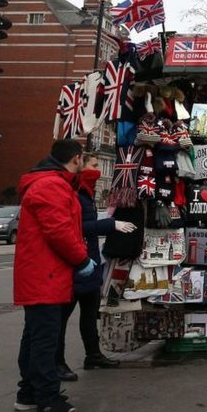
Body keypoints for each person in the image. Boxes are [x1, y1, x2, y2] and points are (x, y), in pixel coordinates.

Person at [13, 139, 95, 412]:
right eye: (84, 159)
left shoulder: (52, 182)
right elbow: (59, 231)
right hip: (45, 275)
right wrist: (82, 260)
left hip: (42, 274)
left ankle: (27, 394)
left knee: (35, 337)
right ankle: (47, 402)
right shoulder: (52, 186)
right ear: (76, 158)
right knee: (45, 340)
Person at [55, 153, 136, 382]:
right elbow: (78, 227)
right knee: (61, 319)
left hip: (89, 262)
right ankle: (57, 362)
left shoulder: (87, 193)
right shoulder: (75, 193)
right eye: (94, 165)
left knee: (90, 315)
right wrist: (112, 224)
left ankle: (93, 354)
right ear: (81, 166)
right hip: (75, 265)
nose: (98, 169)